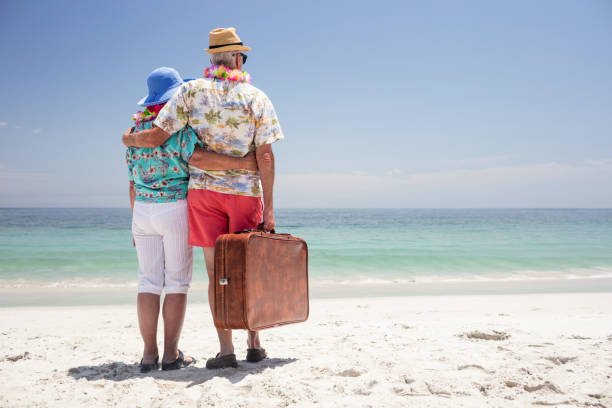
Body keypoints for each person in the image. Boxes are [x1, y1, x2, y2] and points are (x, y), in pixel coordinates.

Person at [122, 27, 284, 369]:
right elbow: (266, 157)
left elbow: (157, 137)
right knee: (247, 269)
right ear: (238, 58)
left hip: (204, 196)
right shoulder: (257, 97)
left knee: (217, 275)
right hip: (244, 195)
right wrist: (269, 208)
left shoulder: (189, 94)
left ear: (211, 58)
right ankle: (254, 342)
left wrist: (128, 140)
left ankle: (226, 351)